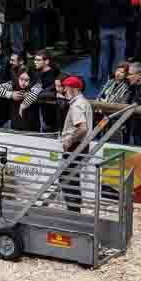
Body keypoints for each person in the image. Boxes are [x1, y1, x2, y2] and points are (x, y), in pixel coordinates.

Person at [59, 75, 92, 213]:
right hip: (83, 145)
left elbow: (82, 128)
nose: (64, 92)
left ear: (73, 89)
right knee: (72, 177)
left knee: (66, 179)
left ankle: (73, 210)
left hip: (75, 145)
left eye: (65, 89)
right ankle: (75, 209)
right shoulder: (84, 102)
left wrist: (69, 140)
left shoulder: (77, 105)